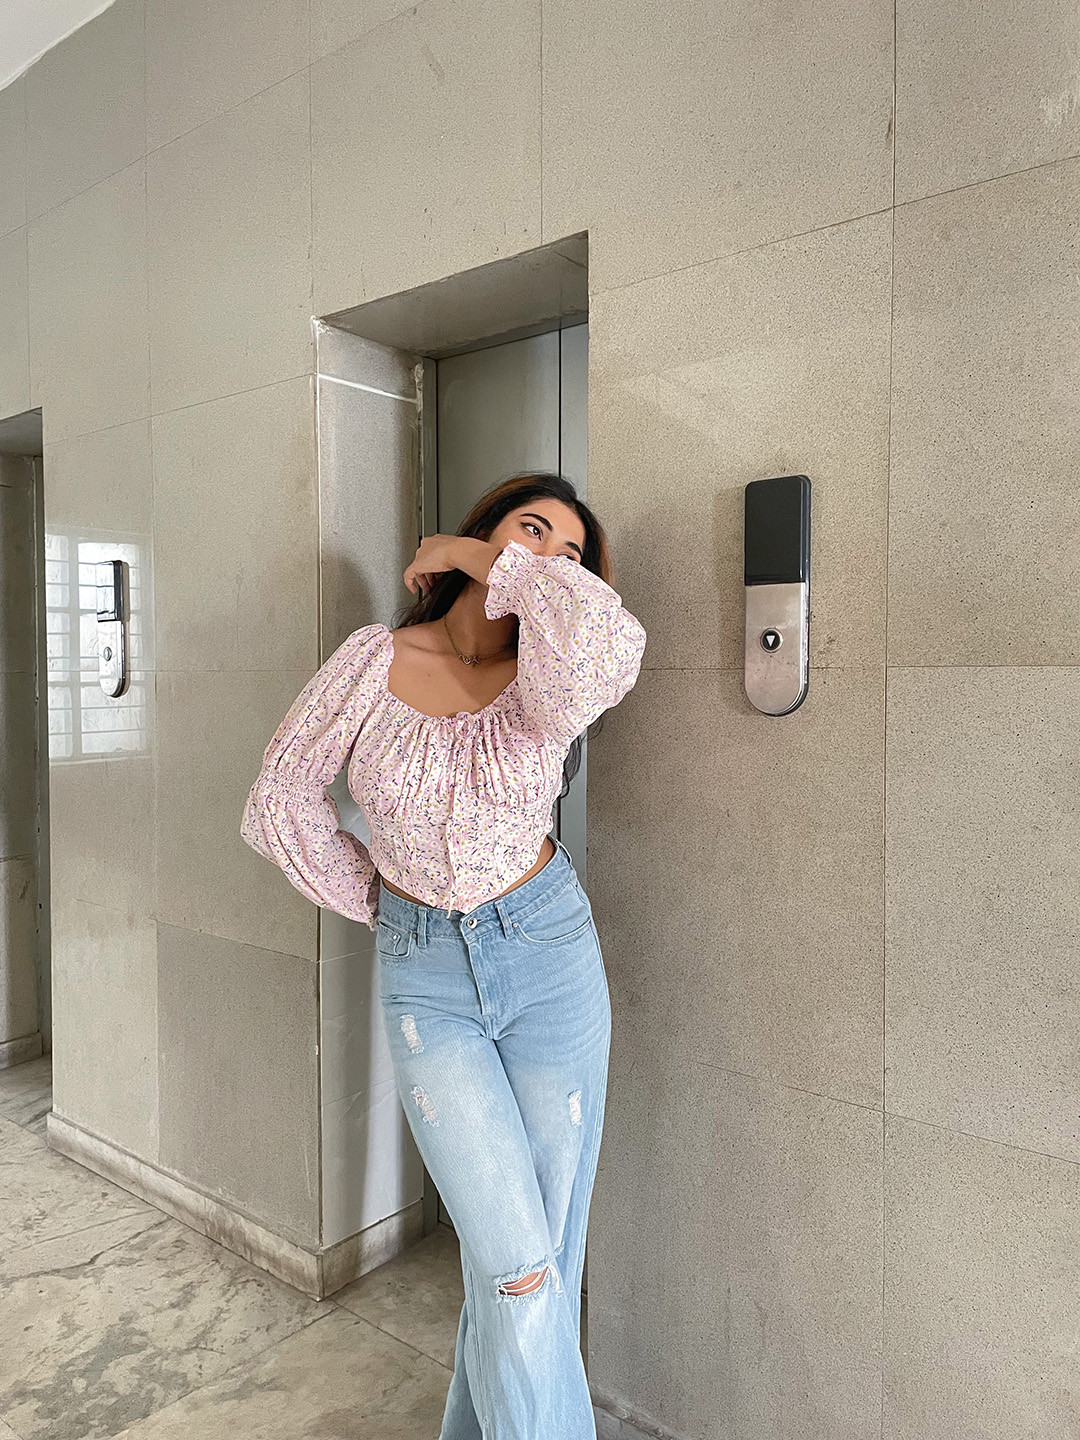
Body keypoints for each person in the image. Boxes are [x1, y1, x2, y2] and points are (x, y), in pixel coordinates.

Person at [240, 471, 647, 1439]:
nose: (549, 557)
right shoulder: (373, 662)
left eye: (569, 553)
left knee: (531, 1268)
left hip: (550, 959)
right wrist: (376, 899)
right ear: (487, 522)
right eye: (529, 530)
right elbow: (278, 802)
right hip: (429, 985)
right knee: (516, 1270)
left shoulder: (552, 678)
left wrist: (482, 558)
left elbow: (608, 644)